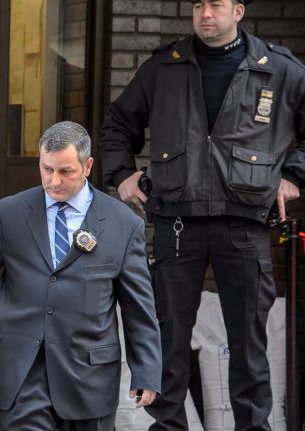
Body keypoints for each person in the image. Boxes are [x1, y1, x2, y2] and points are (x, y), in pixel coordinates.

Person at [100, 0, 305, 429]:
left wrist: (292, 176)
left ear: (239, 10)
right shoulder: (164, 66)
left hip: (245, 224)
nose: (204, 13)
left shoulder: (280, 69)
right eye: (197, 5)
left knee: (248, 343)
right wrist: (121, 175)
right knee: (170, 336)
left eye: (215, 4)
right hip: (178, 222)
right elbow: (119, 122)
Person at [0, 121, 162, 430]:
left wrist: (146, 370)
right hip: (23, 373)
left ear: (88, 165)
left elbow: (139, 309)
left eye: (66, 171)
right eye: (47, 169)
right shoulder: (11, 212)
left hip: (88, 377)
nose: (54, 181)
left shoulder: (122, 223)